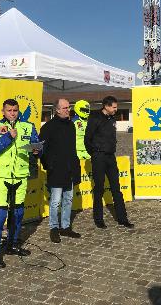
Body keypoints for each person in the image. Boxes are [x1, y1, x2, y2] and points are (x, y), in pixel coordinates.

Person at [0, 98, 40, 269]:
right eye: (9, 111)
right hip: (1, 178)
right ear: (3, 111)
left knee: (18, 213)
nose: (12, 114)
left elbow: (37, 146)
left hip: (21, 177)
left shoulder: (28, 127)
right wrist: (7, 137)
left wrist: (37, 151)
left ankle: (12, 244)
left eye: (15, 110)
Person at [84, 96, 134, 229]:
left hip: (111, 157)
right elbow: (87, 139)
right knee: (99, 189)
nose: (116, 110)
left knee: (116, 189)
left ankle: (123, 218)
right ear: (106, 106)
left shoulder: (112, 118)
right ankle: (98, 219)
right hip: (99, 157)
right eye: (114, 107)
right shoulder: (95, 118)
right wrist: (95, 154)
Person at [40, 99, 82, 243]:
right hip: (56, 170)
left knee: (68, 199)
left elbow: (72, 149)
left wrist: (75, 166)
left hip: (70, 169)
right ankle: (54, 228)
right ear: (57, 110)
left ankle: (65, 227)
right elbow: (41, 149)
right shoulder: (48, 127)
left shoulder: (71, 125)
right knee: (56, 201)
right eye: (64, 108)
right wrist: (49, 165)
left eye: (68, 107)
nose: (67, 110)